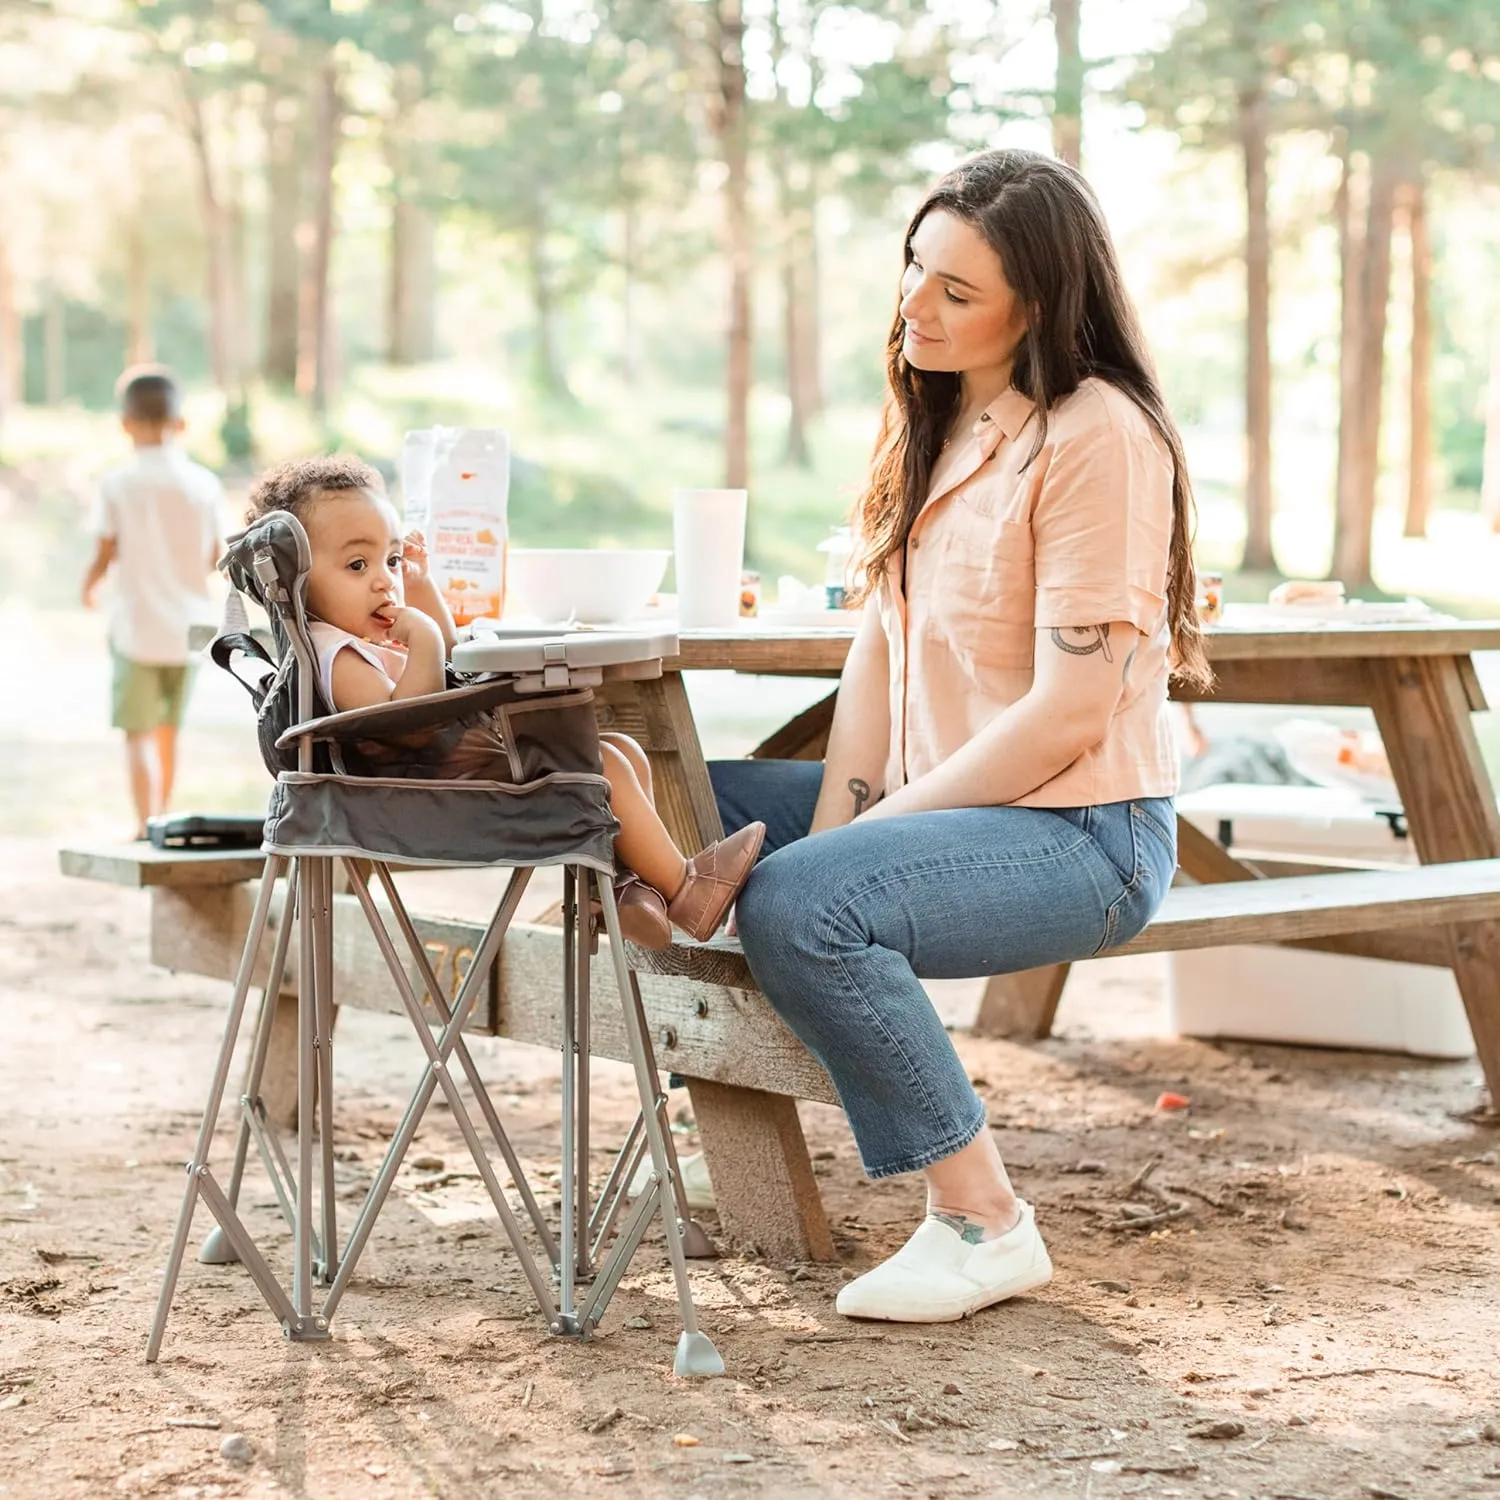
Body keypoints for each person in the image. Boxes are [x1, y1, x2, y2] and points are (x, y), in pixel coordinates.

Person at [710, 148, 1209, 1323]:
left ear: (1039, 303)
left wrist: (859, 842)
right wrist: (841, 819)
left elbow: (1073, 710)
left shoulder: (1100, 437)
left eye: (956, 292)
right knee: (667, 802)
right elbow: (876, 649)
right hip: (950, 804)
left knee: (797, 904)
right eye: (913, 271)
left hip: (1081, 833)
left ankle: (985, 1224)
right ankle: (728, 1114)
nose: (916, 308)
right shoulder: (938, 418)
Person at [244, 456, 762, 946]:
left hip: (456, 771)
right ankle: (686, 891)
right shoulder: (336, 656)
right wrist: (419, 634)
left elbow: (448, 659)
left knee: (625, 748)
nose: (384, 579)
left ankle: (624, 889)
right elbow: (408, 726)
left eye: (393, 559)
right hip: (437, 795)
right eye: (358, 564)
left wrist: (421, 592)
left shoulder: (359, 640)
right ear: (299, 585)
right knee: (602, 764)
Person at [82, 367, 227, 840]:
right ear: (181, 424)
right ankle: (163, 814)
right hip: (190, 628)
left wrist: (89, 585)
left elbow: (106, 550)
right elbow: (215, 557)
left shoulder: (118, 484)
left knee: (138, 733)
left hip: (137, 628)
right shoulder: (203, 484)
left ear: (124, 423)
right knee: (168, 731)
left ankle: (146, 823)